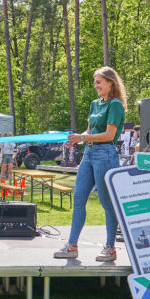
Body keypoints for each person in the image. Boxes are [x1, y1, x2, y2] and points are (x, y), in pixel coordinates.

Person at [54, 66, 126, 263]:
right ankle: (72, 246)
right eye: (95, 82)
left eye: (99, 82)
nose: (96, 86)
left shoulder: (115, 105)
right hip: (89, 154)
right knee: (78, 198)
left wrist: (83, 137)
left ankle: (110, 248)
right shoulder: (95, 104)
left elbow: (110, 135)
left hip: (106, 154)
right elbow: (88, 131)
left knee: (106, 202)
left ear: (110, 83)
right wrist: (76, 139)